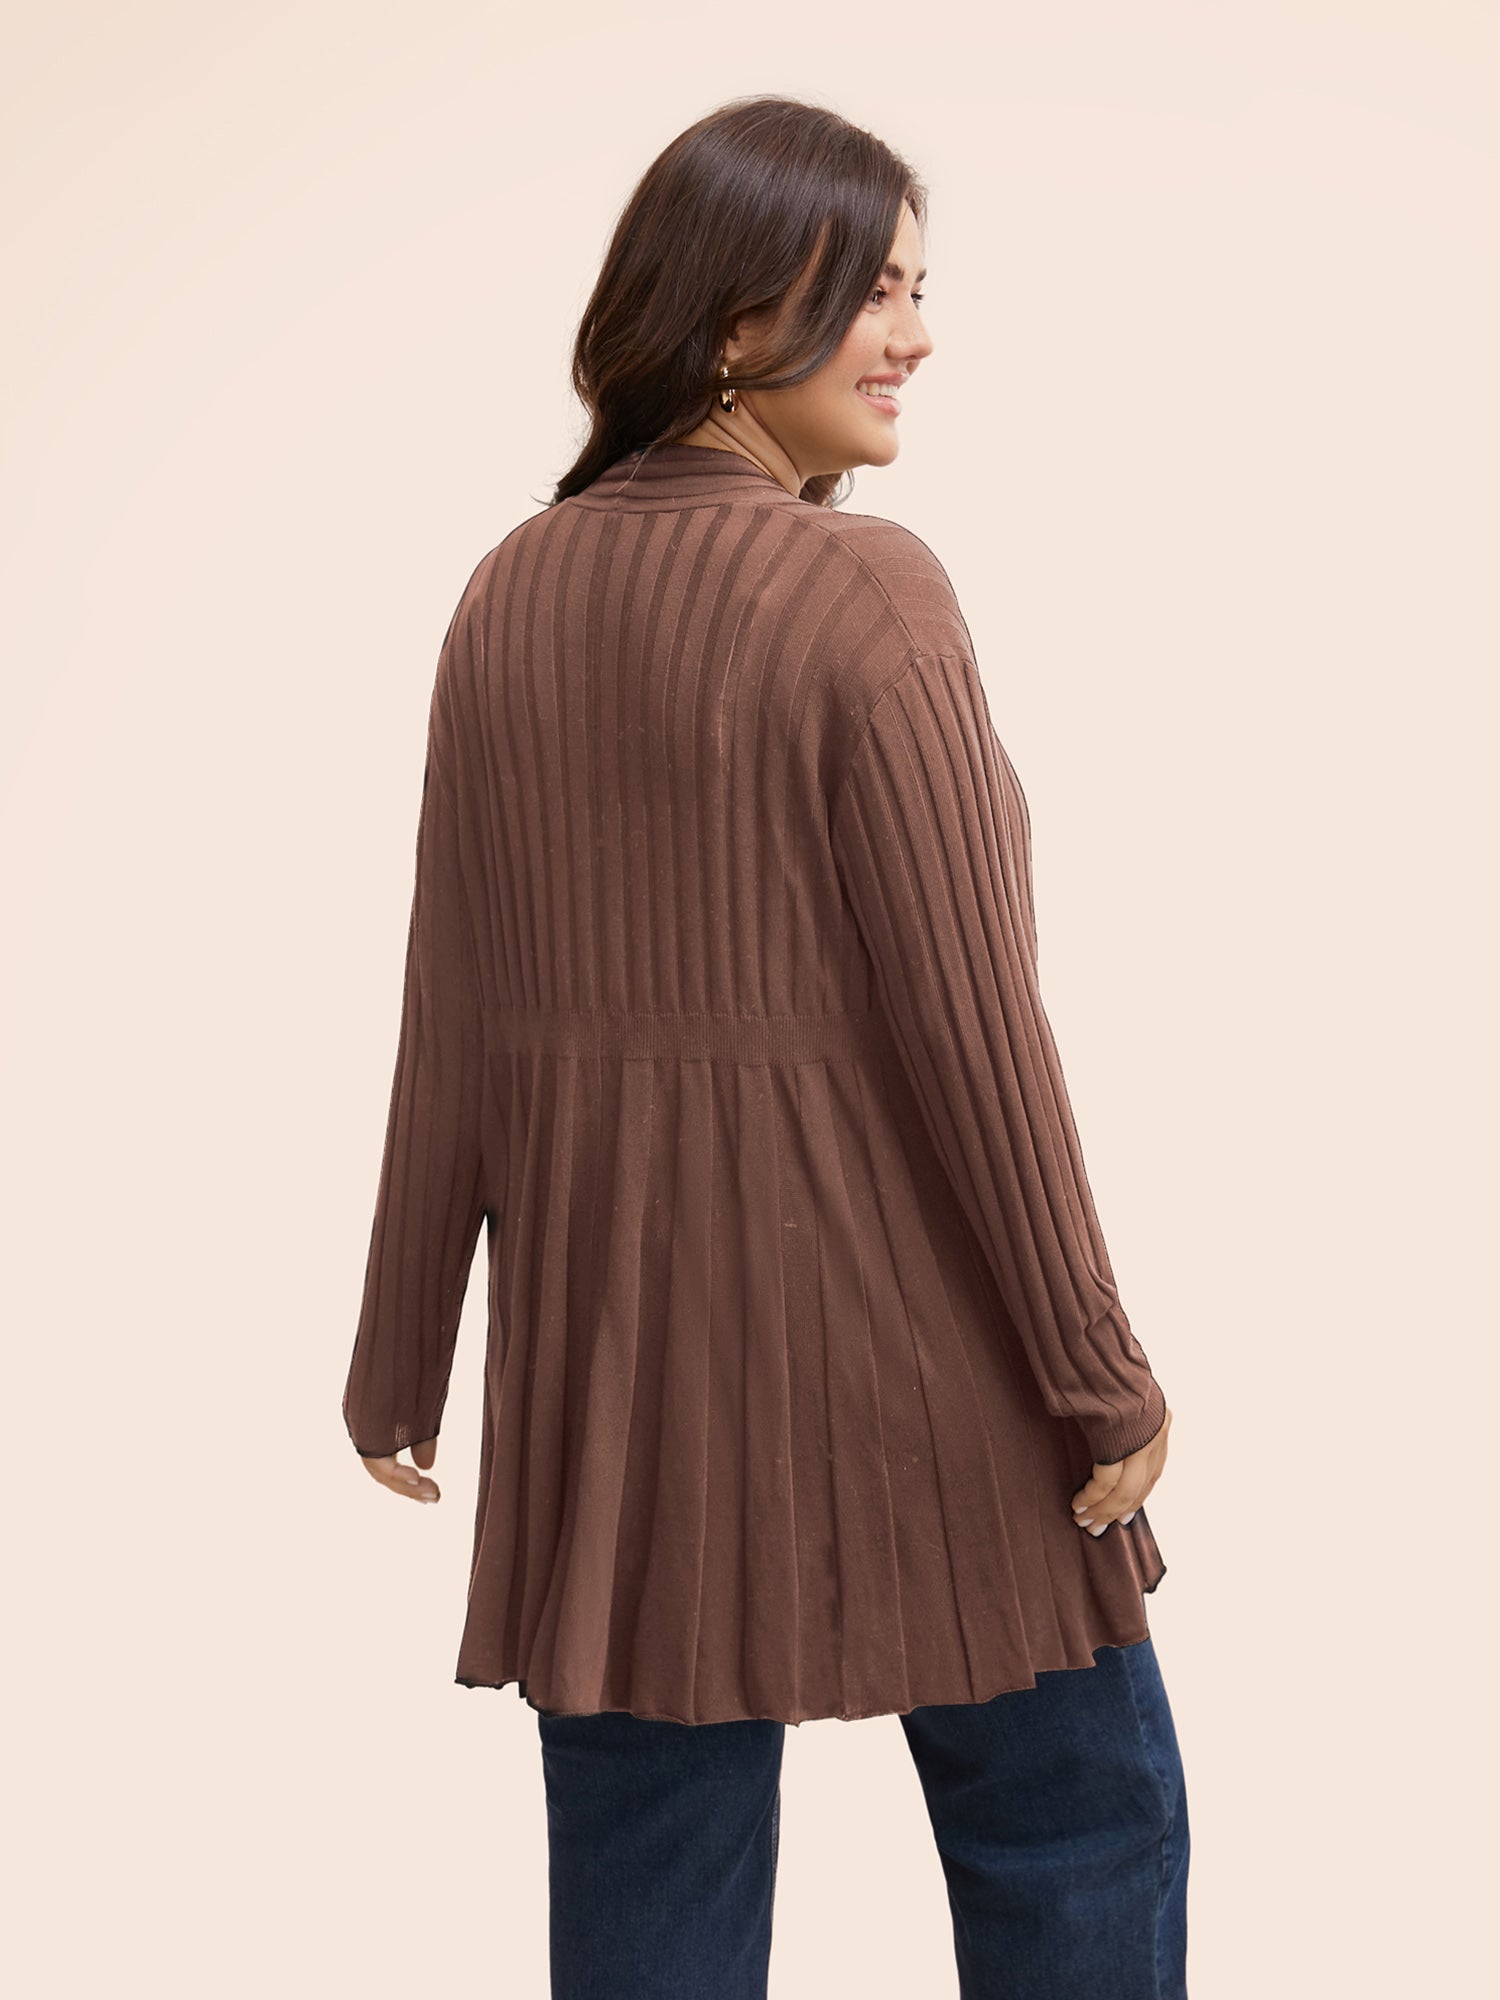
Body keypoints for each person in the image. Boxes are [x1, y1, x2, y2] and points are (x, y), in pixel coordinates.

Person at [341, 92, 1189, 2000]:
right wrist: (1097, 1368)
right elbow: (979, 1037)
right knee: (1078, 1814)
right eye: (874, 291)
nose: (916, 336)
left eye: (918, 290)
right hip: (917, 1355)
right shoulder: (866, 592)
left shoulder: (506, 594)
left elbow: (449, 1002)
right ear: (737, 318)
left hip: (620, 1372)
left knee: (653, 1872)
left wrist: (404, 1345)